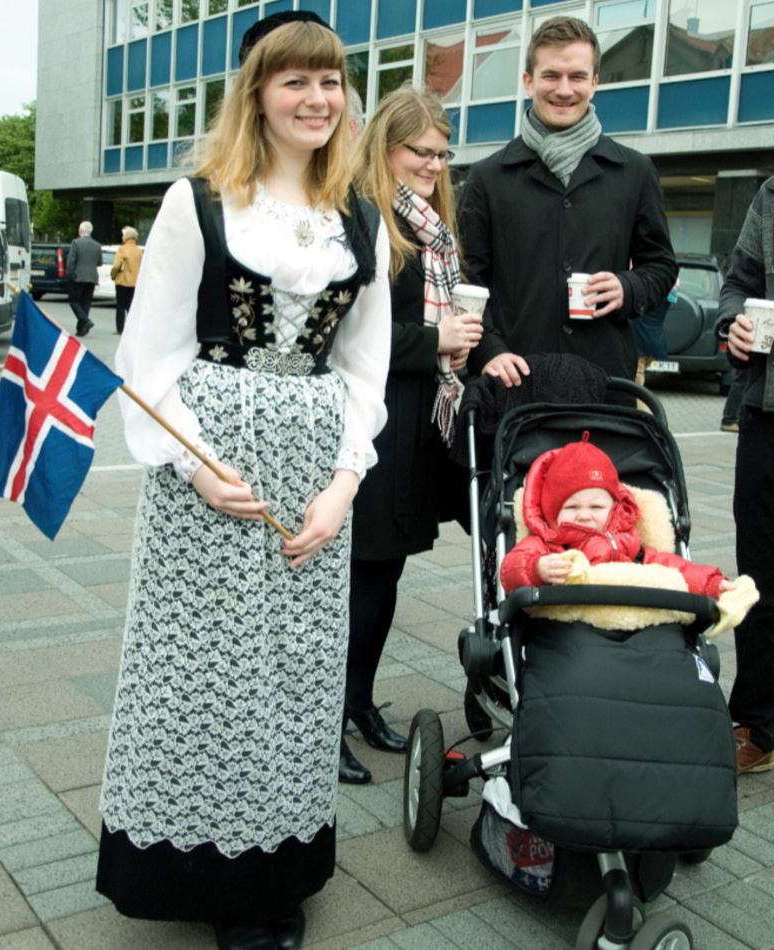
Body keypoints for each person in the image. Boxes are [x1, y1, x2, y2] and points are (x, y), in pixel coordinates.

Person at [95, 13, 391, 950]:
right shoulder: (201, 199)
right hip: (211, 468)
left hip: (314, 473)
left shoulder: (361, 214)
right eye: (295, 82)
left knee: (298, 677)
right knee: (203, 677)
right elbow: (150, 356)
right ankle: (203, 876)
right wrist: (194, 463)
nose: (317, 99)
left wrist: (346, 483)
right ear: (258, 93)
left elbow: (365, 368)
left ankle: (274, 875)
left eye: (332, 82)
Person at [339, 84, 483, 785]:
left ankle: (361, 702)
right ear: (384, 146)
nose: (432, 164)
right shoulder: (363, 219)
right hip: (370, 427)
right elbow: (343, 334)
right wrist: (435, 339)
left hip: (416, 427)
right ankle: (324, 722)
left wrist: (460, 342)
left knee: (387, 575)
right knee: (361, 581)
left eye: (441, 153)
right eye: (418, 151)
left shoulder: (431, 226)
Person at [458, 16, 677, 388]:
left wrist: (629, 288)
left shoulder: (635, 171)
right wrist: (489, 352)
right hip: (514, 383)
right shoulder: (486, 178)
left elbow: (660, 266)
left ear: (594, 84)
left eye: (577, 77)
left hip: (605, 383)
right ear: (528, 82)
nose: (564, 89)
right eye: (550, 76)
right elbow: (467, 282)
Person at [500, 432, 734, 599]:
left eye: (596, 508)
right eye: (571, 508)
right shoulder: (548, 546)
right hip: (568, 631)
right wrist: (537, 569)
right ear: (552, 513)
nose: (584, 516)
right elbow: (511, 568)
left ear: (613, 509)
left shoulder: (627, 544)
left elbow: (673, 569)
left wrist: (711, 584)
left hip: (632, 628)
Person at [715, 175, 774, 774]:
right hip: (765, 413)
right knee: (759, 578)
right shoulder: (770, 197)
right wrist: (732, 323)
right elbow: (738, 286)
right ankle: (758, 720)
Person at [66, 220, 102, 337]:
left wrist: (70, 274)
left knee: (74, 301)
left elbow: (71, 261)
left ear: (80, 230)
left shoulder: (76, 243)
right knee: (86, 303)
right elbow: (99, 262)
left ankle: (86, 321)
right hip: (92, 277)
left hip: (78, 276)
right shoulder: (97, 245)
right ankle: (81, 329)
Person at [110, 226, 143, 334]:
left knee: (120, 306)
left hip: (122, 280)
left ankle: (120, 328)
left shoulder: (122, 249)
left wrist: (113, 275)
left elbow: (116, 266)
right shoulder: (139, 251)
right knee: (131, 306)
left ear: (126, 237)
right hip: (135, 281)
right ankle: (134, 328)